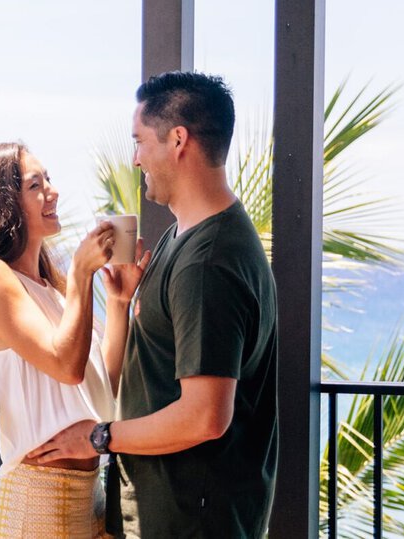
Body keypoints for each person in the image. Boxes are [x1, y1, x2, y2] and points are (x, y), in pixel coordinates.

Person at [24, 71, 279, 537]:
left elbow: (205, 416)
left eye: (140, 142)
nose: (136, 159)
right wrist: (121, 303)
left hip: (191, 522)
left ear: (178, 140)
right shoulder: (180, 238)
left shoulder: (208, 262)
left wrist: (99, 437)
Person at [0, 141, 146, 538]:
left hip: (87, 496)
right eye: (35, 185)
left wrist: (119, 303)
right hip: (37, 499)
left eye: (49, 180)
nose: (51, 191)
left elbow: (99, 389)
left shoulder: (50, 291)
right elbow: (65, 365)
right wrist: (79, 275)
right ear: (2, 204)